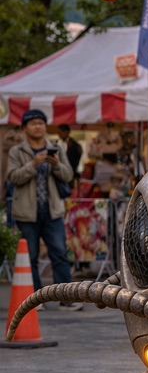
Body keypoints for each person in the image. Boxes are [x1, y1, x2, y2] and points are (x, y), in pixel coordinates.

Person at [6, 109, 77, 306]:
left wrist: (55, 165)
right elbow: (13, 177)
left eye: (41, 123)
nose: (38, 126)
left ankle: (66, 299)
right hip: (27, 213)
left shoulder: (55, 148)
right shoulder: (17, 151)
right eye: (33, 123)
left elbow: (68, 176)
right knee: (31, 257)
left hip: (52, 211)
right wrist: (33, 165)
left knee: (60, 255)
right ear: (24, 128)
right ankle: (34, 301)